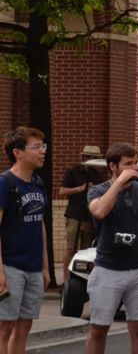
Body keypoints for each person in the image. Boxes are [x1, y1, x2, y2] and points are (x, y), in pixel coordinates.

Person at [84, 143, 138, 354]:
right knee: (98, 328)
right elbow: (100, 211)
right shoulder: (98, 190)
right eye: (128, 163)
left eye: (136, 163)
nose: (134, 168)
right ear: (113, 166)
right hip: (108, 268)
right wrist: (119, 184)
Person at [0, 126, 51, 354]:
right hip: (10, 265)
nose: (42, 151)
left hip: (33, 268)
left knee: (24, 326)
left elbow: (39, 222)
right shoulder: (5, 183)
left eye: (43, 146)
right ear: (17, 152)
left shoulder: (38, 183)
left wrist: (45, 266)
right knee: (5, 327)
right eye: (36, 147)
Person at [59, 145, 104, 286]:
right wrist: (80, 188)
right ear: (83, 157)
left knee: (86, 251)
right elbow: (62, 191)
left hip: (90, 216)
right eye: (88, 157)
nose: (91, 160)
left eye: (94, 158)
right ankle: (66, 279)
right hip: (74, 215)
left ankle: (83, 279)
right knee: (70, 248)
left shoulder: (97, 175)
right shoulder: (73, 171)